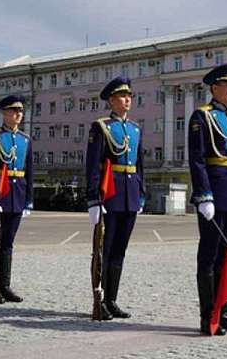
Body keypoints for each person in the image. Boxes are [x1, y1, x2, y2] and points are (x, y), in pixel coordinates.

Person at [188, 62, 227, 336]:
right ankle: (208, 318)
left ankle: (223, 314)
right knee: (210, 257)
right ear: (215, 87)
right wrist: (204, 196)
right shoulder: (201, 117)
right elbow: (198, 160)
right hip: (214, 196)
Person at [86, 76, 145, 320]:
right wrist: (93, 199)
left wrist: (141, 194)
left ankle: (112, 299)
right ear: (111, 100)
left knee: (120, 250)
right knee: (105, 250)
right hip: (109, 196)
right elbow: (92, 166)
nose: (128, 99)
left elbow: (140, 166)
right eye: (122, 96)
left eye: (129, 96)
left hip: (129, 196)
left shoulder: (135, 129)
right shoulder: (101, 127)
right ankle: (99, 300)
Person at [0, 94, 33, 303]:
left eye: (20, 111)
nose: (18, 114)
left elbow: (29, 171)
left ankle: (5, 285)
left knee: (8, 243)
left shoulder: (25, 139)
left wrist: (28, 199)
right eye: (13, 111)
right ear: (4, 113)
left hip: (17, 194)